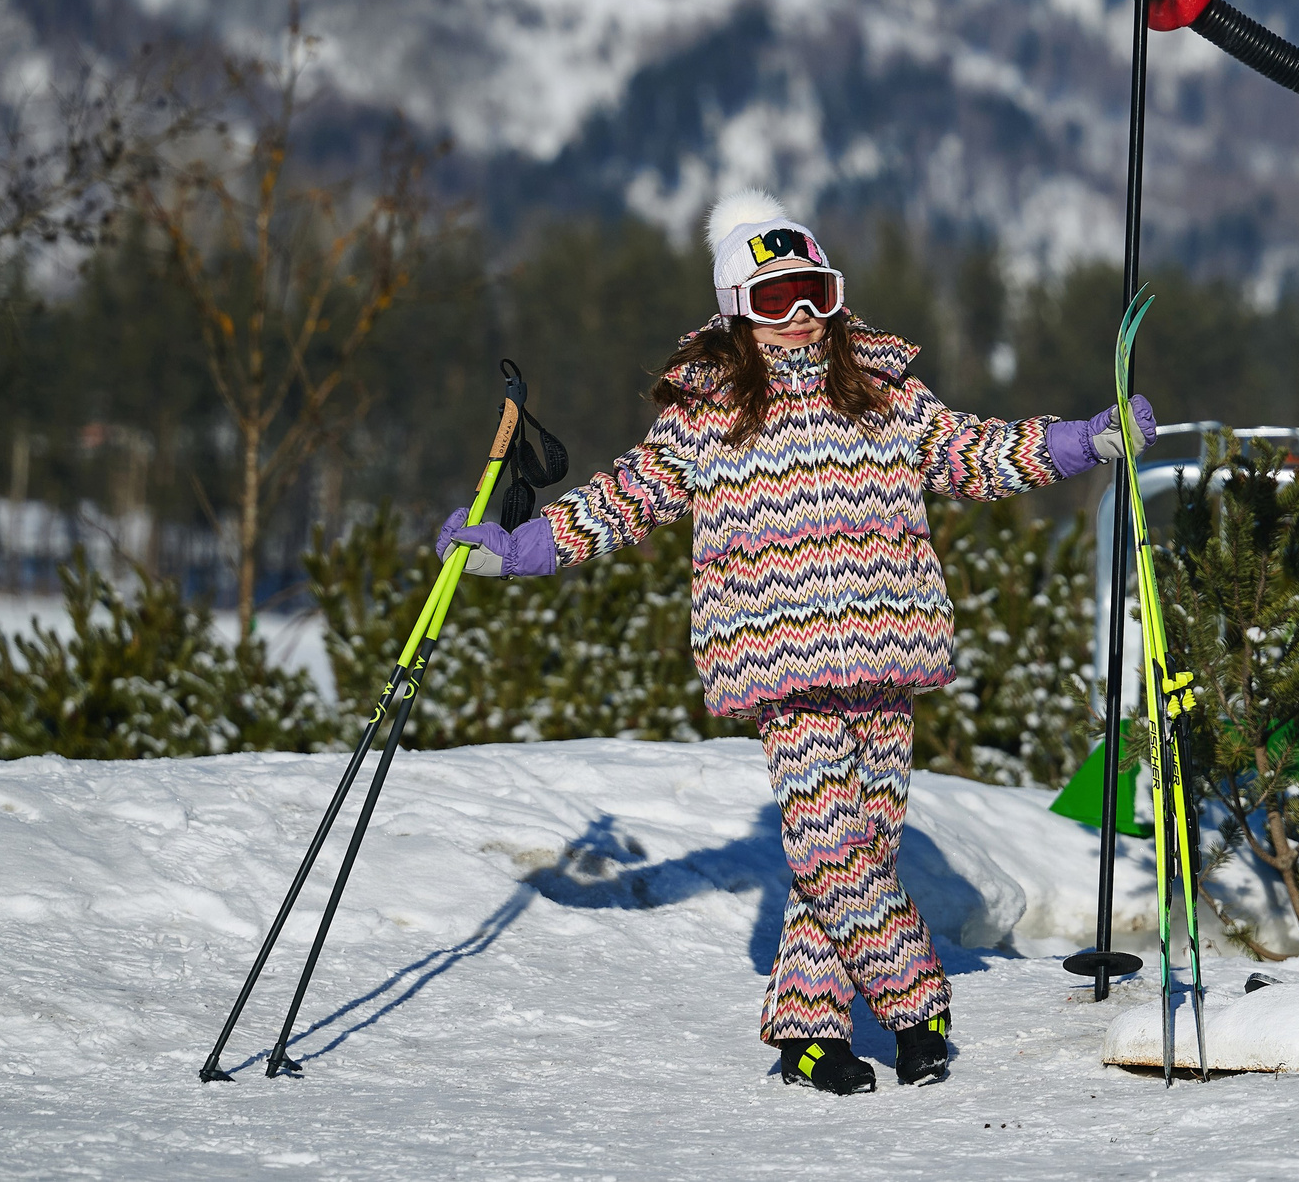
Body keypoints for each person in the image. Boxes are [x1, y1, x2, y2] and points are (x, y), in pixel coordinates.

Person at [435, 190, 1153, 1094]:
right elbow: (623, 499)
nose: (803, 316)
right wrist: (522, 548)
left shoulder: (882, 389)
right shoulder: (707, 412)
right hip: (785, 670)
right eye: (777, 300)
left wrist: (1084, 443)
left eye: (816, 290)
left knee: (866, 849)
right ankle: (917, 1008)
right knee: (827, 850)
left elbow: (975, 451)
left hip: (886, 657)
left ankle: (807, 1033)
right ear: (737, 312)